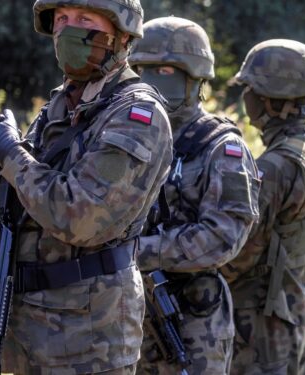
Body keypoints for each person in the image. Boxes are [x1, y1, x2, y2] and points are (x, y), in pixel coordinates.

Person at [0, 0, 173, 373]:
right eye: (61, 19)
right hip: (31, 324)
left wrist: (10, 153)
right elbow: (24, 208)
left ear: (120, 34)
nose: (68, 30)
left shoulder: (137, 116)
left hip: (89, 337)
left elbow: (80, 217)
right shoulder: (60, 106)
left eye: (84, 19)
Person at [128, 16, 260, 374]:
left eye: (169, 71)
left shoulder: (222, 148)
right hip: (125, 313)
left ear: (197, 79)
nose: (157, 81)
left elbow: (223, 238)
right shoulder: (127, 136)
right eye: (148, 70)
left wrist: (138, 252)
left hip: (190, 321)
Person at [221, 39, 305, 375]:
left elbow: (241, 251)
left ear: (268, 99)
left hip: (262, 319)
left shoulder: (276, 166)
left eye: (251, 90)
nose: (246, 99)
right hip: (298, 303)